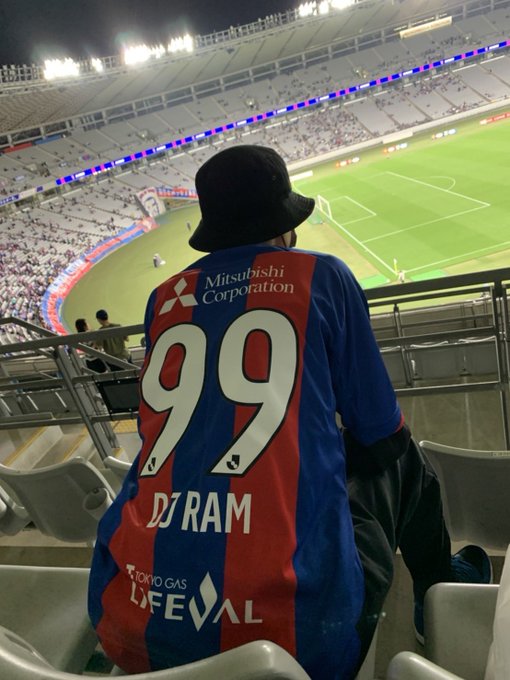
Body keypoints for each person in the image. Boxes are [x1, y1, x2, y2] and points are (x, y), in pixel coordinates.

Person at [88, 146, 491, 679]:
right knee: (405, 460)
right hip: (303, 640)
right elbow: (381, 432)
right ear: (284, 227)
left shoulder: (163, 298)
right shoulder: (322, 275)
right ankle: (437, 589)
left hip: (129, 622)